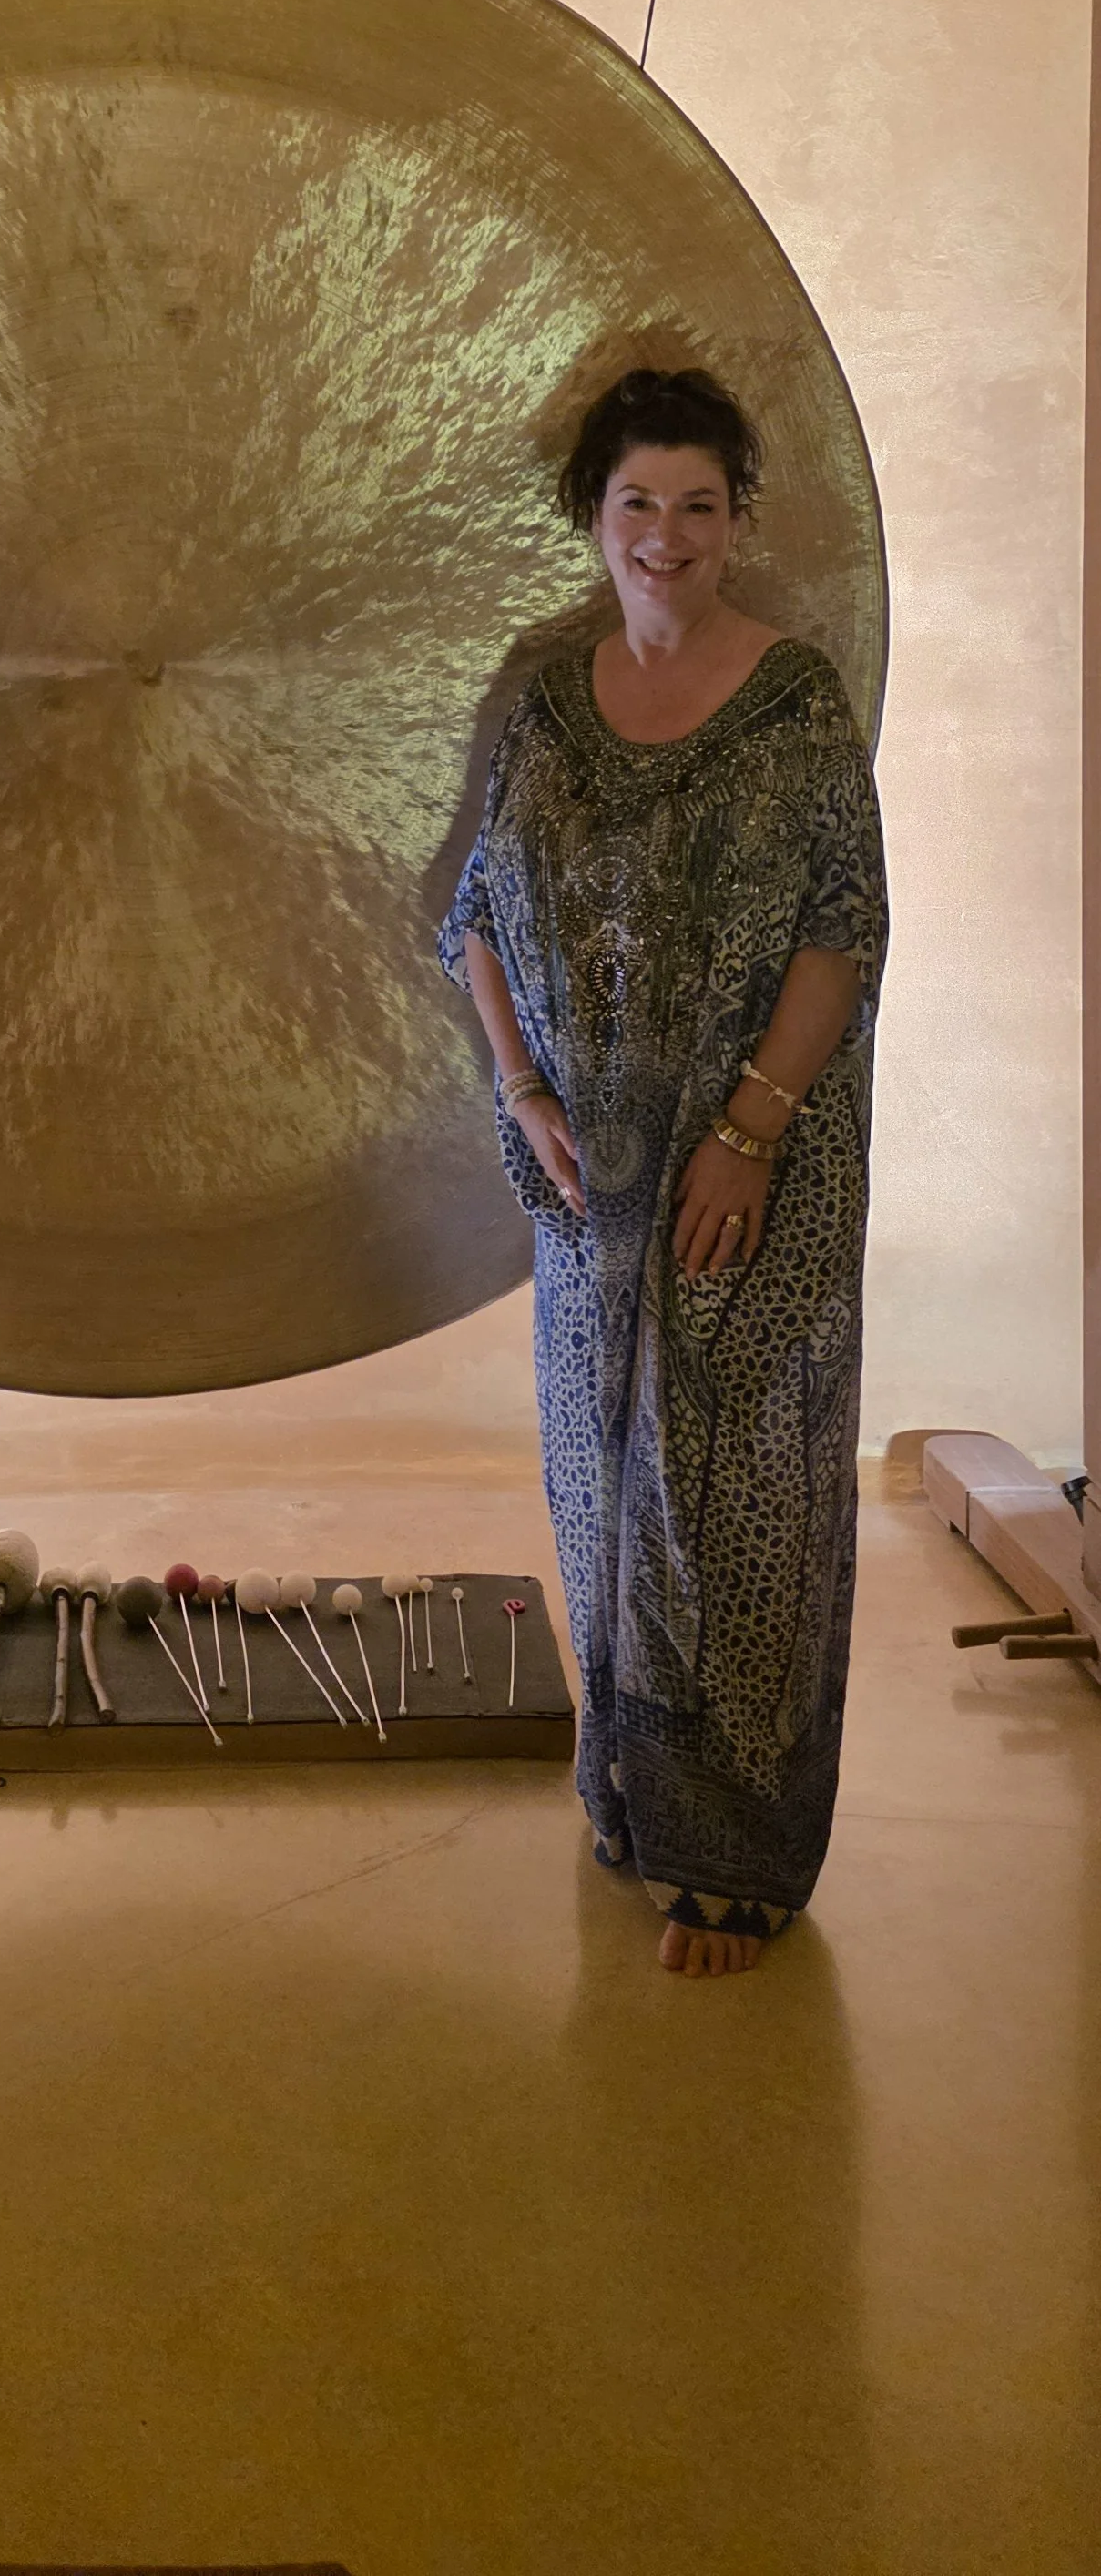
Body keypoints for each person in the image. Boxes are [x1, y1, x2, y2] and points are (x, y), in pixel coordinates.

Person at [440, 366, 887, 1978]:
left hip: (757, 1176)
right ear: (596, 515)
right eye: (640, 501)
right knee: (604, 1488)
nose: (668, 534)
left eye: (700, 504)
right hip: (595, 1193)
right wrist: (523, 1089)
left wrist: (749, 1135)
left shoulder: (795, 700)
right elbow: (475, 920)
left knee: (735, 1494)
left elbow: (843, 928)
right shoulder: (548, 705)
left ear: (738, 521)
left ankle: (740, 1857)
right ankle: (633, 1798)